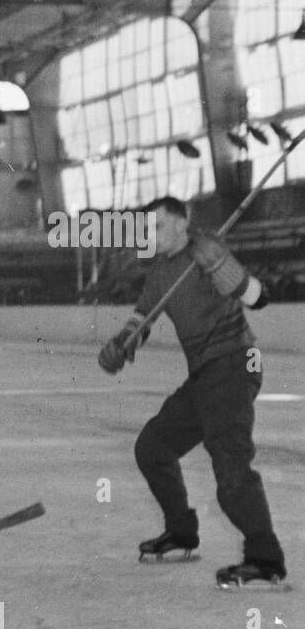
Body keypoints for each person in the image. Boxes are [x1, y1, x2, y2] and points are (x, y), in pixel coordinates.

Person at [97, 195, 286, 589]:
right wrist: (122, 343)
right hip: (204, 374)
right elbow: (142, 317)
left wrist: (223, 267)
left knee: (230, 464)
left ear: (182, 224)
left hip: (238, 362)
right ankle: (181, 531)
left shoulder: (206, 252)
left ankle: (265, 558)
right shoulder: (161, 272)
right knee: (153, 448)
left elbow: (259, 298)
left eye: (158, 227)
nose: (150, 235)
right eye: (146, 229)